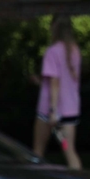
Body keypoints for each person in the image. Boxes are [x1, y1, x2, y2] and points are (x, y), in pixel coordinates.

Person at [32, 14, 83, 170]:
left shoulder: (52, 51)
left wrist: (53, 110)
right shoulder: (75, 51)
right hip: (69, 111)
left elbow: (55, 81)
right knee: (69, 150)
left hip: (49, 112)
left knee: (38, 152)